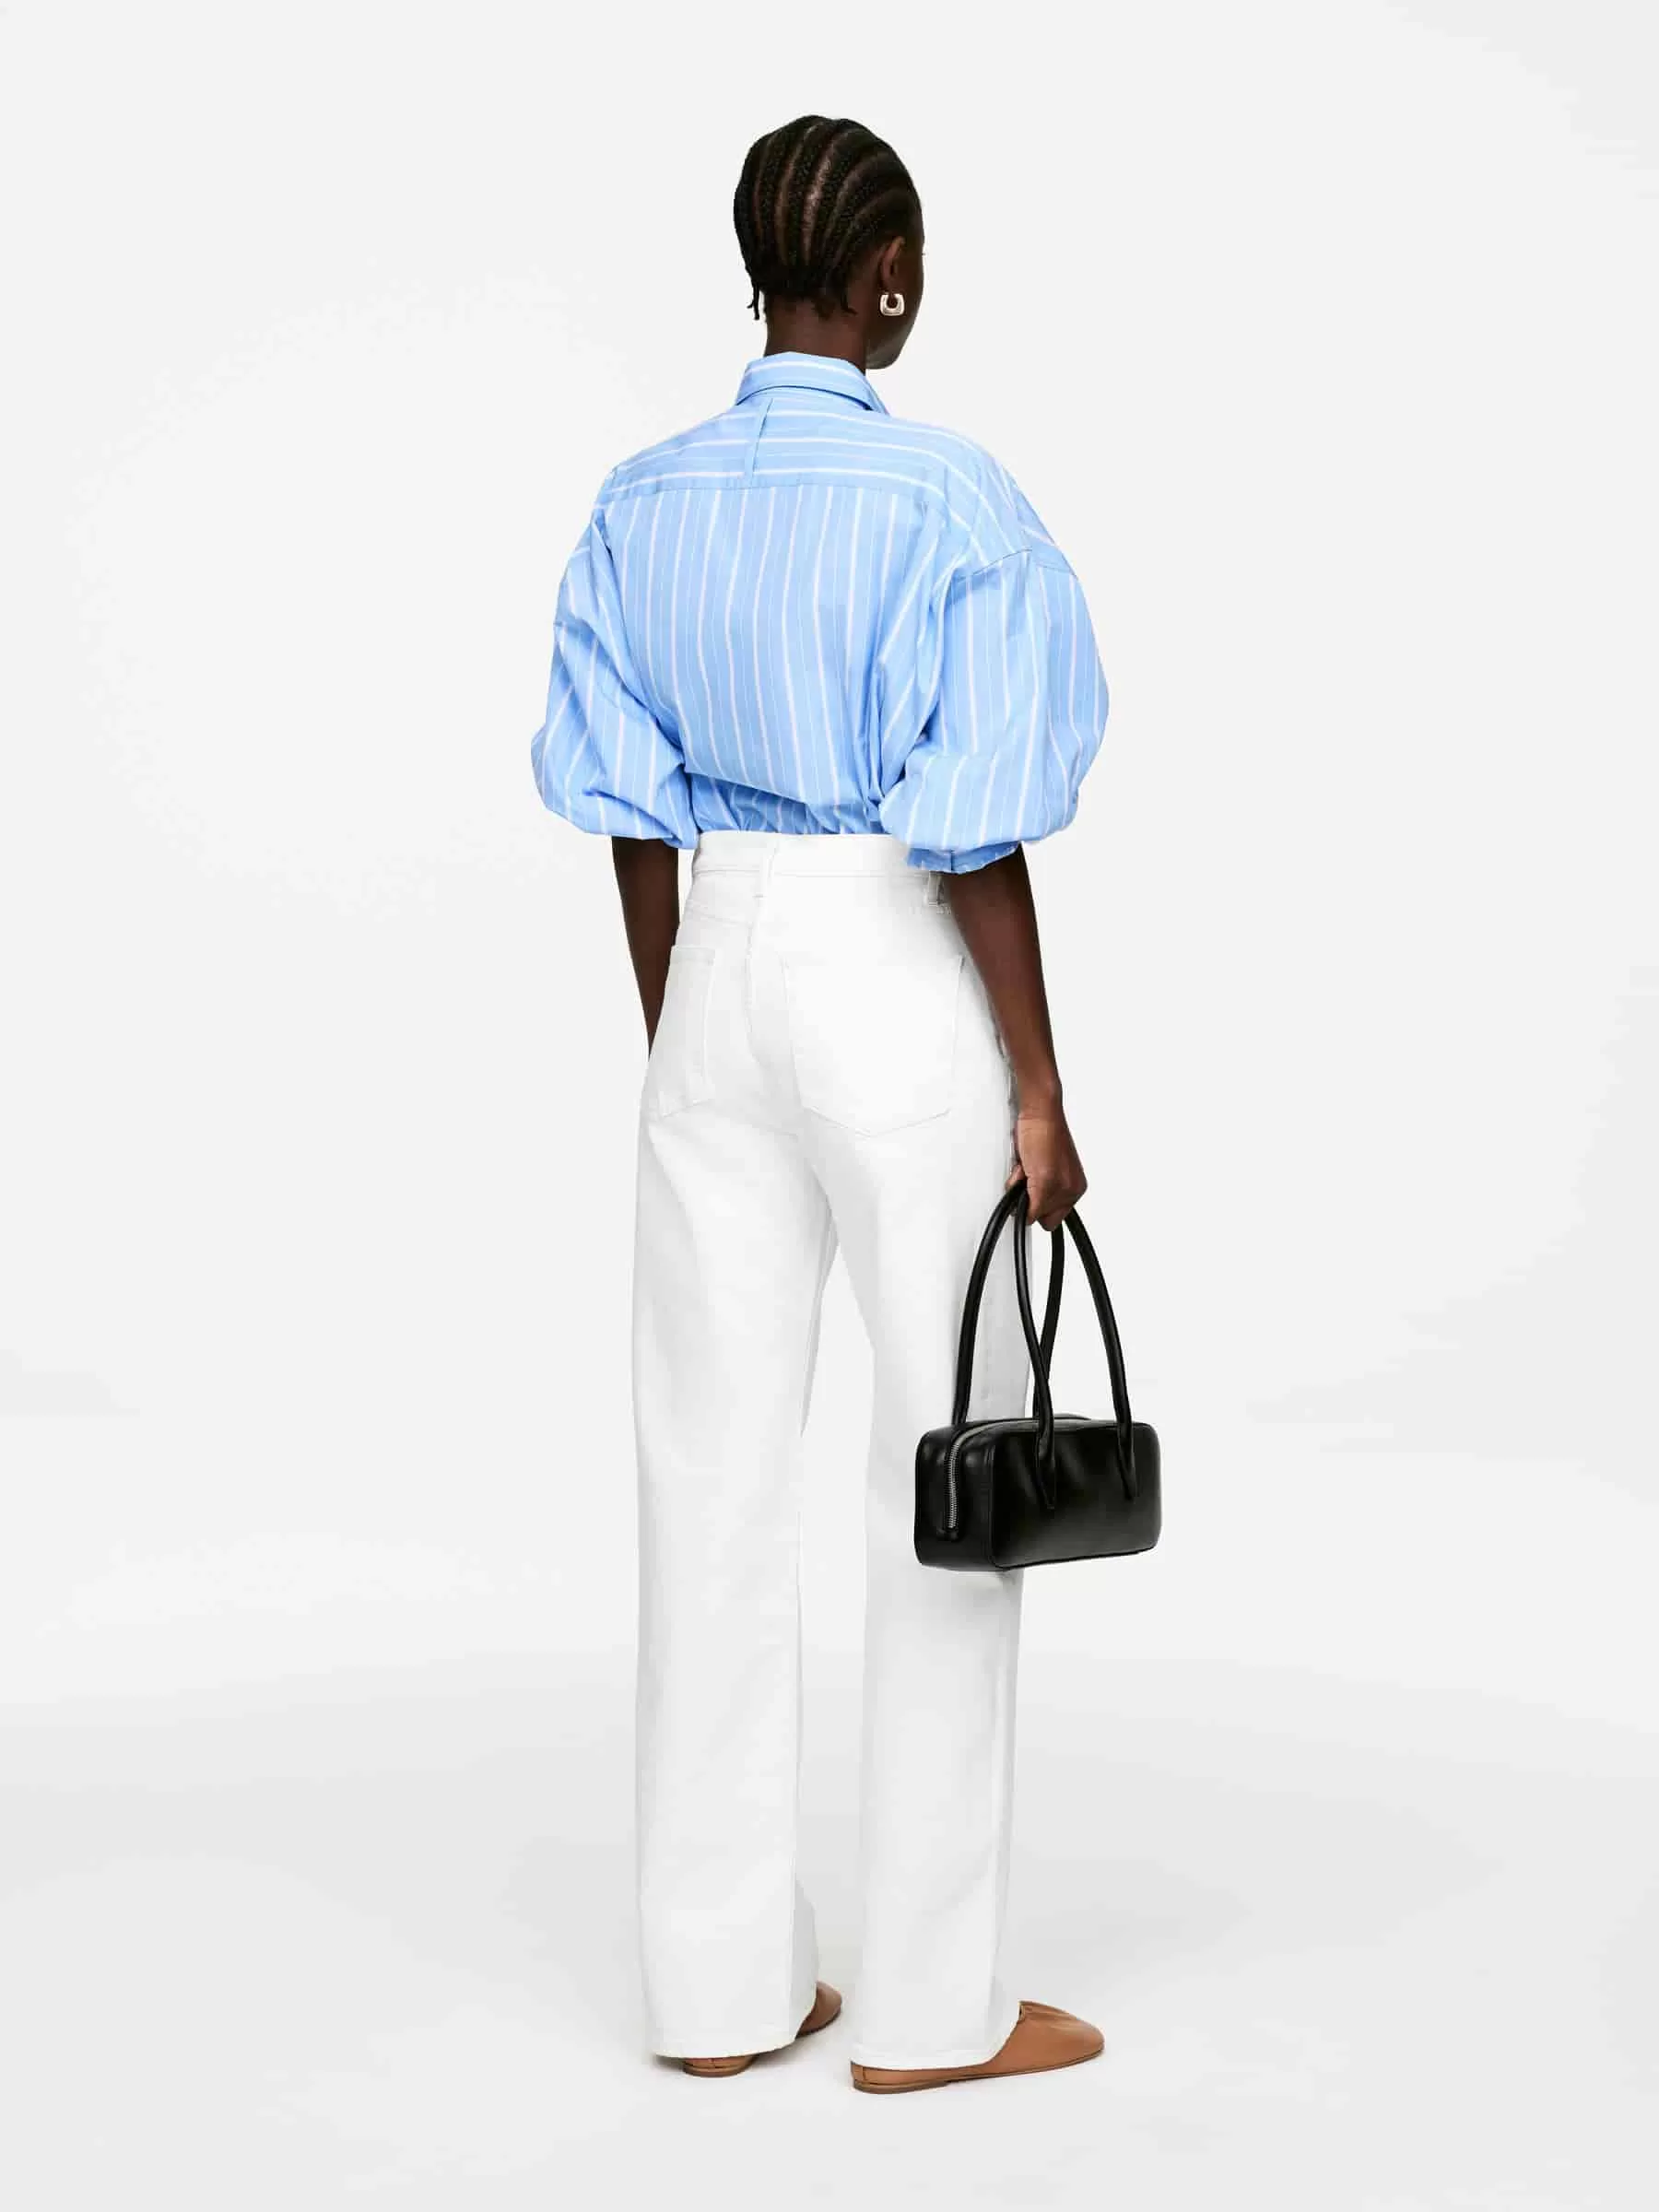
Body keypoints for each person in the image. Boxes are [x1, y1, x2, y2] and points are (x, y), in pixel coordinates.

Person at [530, 114, 1109, 2093]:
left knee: (706, 1476)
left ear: (754, 272)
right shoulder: (948, 499)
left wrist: (686, 1026)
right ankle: (937, 2013)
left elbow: (628, 813)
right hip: (893, 963)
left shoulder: (642, 502)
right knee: (951, 1462)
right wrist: (1039, 1083)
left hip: (713, 961)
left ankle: (720, 1997)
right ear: (889, 281)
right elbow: (979, 827)